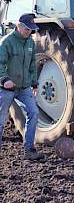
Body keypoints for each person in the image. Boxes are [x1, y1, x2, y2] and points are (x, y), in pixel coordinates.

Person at [0, 13, 44, 160]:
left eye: (31, 29)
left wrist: (34, 83)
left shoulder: (30, 42)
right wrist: (4, 79)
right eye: (27, 29)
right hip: (6, 88)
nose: (29, 32)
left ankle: (29, 150)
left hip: (24, 88)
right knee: (1, 120)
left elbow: (32, 65)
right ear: (19, 26)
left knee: (33, 113)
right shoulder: (6, 42)